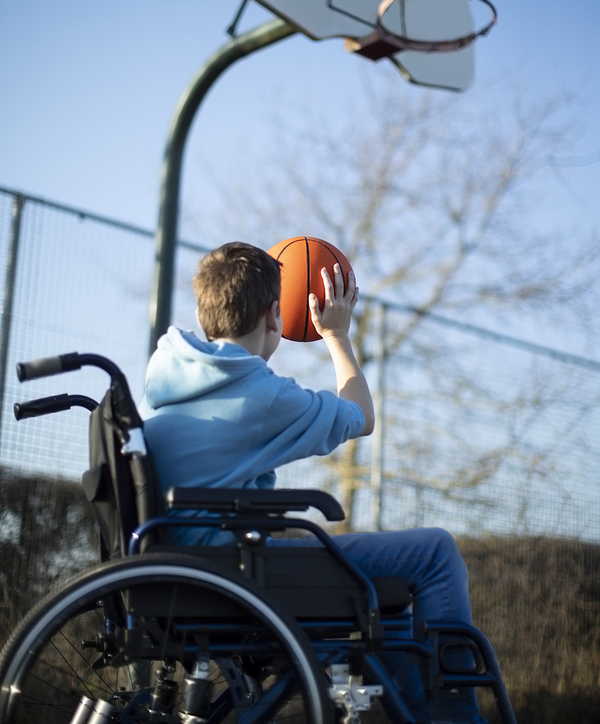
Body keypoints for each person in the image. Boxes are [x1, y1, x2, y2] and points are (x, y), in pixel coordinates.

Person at [140, 242, 485, 724]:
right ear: (272, 316)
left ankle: (413, 712)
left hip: (183, 578)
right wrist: (337, 335)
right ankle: (453, 717)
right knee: (435, 553)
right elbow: (361, 416)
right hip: (234, 579)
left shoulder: (167, 384)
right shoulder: (264, 397)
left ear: (205, 315)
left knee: (387, 602)